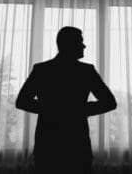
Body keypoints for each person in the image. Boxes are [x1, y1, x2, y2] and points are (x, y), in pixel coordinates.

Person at [16, 26, 117, 174]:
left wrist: (53, 109)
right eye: (80, 41)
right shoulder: (86, 71)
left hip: (49, 144)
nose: (84, 45)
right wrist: (80, 110)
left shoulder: (42, 70)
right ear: (69, 44)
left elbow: (22, 101)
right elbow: (109, 102)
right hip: (75, 143)